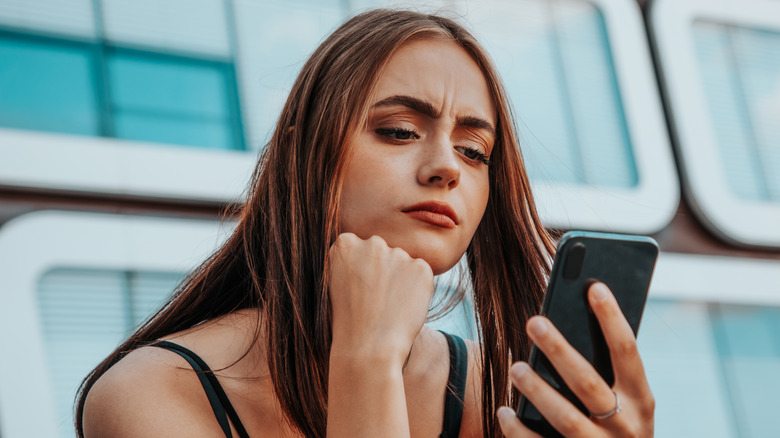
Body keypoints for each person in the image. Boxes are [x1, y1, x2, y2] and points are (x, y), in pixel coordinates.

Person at [76, 9, 655, 438]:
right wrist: (367, 361)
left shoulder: (497, 390)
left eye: (475, 152)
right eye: (400, 131)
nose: (446, 168)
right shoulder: (150, 394)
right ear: (308, 159)